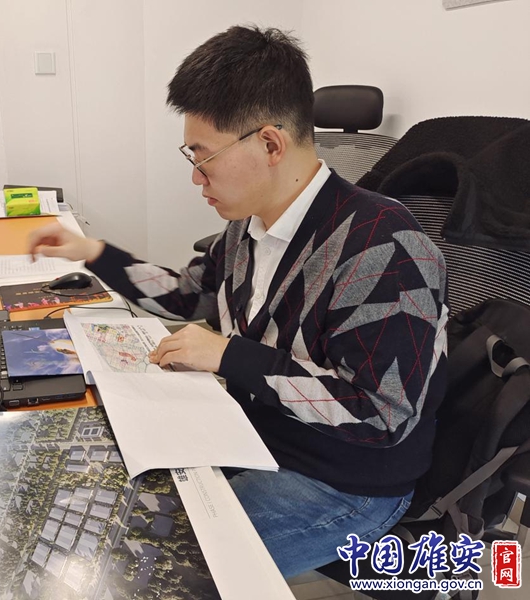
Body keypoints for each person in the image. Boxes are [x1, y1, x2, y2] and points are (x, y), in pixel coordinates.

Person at [27, 25, 447, 578]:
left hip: (346, 481)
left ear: (270, 144)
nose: (195, 176)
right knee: (102, 484)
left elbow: (379, 414)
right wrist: (93, 253)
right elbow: (191, 295)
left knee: (153, 569)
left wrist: (229, 356)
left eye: (203, 156)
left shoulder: (386, 246)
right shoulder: (250, 226)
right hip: (256, 436)